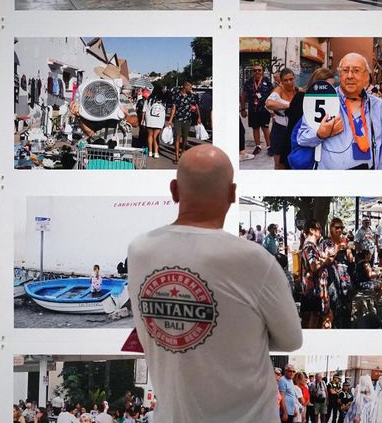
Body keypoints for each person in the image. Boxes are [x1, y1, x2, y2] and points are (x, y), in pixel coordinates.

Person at [127, 145, 302, 422]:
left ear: (174, 190)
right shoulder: (255, 260)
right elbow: (291, 339)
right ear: (232, 195)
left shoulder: (139, 251)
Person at [296, 53, 382, 170]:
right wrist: (320, 134)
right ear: (340, 75)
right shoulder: (323, 99)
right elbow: (301, 138)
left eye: (356, 70)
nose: (350, 75)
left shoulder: (379, 106)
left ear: (367, 76)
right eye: (345, 70)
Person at [299, 219, 335, 329]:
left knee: (314, 317)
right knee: (320, 317)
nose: (321, 232)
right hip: (315, 290)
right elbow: (314, 266)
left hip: (313, 288)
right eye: (319, 229)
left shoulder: (311, 246)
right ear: (311, 230)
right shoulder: (309, 246)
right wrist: (327, 261)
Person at [266, 68, 299, 168]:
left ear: (294, 78)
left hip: (295, 129)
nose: (289, 82)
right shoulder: (278, 90)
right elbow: (269, 103)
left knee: (294, 162)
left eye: (291, 79)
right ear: (281, 81)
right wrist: (289, 106)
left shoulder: (299, 91)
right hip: (280, 130)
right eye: (285, 80)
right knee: (279, 164)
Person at [243, 65, 275, 156]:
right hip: (253, 110)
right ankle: (258, 146)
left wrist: (272, 109)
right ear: (252, 72)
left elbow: (273, 93)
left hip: (264, 109)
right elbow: (243, 95)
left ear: (262, 71)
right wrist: (242, 109)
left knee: (265, 127)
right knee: (255, 128)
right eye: (255, 70)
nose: (257, 72)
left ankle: (269, 147)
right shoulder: (248, 82)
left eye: (259, 70)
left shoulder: (267, 81)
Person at [166, 81, 200, 164]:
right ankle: (177, 157)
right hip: (178, 119)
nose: (191, 89)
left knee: (185, 138)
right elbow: (174, 108)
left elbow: (196, 106)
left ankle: (182, 151)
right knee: (177, 137)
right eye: (190, 87)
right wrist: (170, 120)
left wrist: (199, 117)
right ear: (185, 87)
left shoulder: (191, 96)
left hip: (188, 120)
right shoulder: (176, 95)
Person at [143, 85, 167, 159]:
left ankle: (150, 151)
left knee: (150, 135)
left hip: (149, 118)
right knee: (156, 136)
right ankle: (156, 152)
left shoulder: (149, 99)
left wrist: (143, 119)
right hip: (159, 119)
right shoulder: (163, 100)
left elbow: (144, 109)